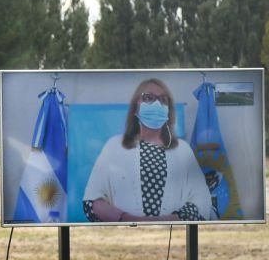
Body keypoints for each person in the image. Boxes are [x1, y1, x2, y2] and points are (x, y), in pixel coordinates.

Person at [83, 78, 211, 223]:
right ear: (135, 107)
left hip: (174, 235)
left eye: (163, 99)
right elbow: (92, 201)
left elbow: (202, 200)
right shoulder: (114, 146)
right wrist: (129, 220)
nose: (157, 104)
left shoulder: (183, 150)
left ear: (168, 109)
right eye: (148, 98)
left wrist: (170, 220)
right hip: (124, 237)